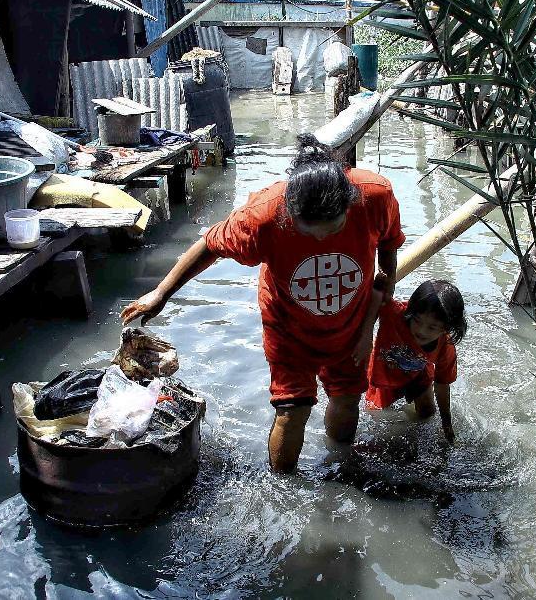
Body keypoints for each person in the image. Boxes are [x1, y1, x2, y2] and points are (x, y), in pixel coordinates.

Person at [121, 133, 405, 472]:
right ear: (290, 214)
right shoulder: (262, 216)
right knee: (292, 409)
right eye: (309, 231)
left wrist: (369, 327)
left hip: (352, 321)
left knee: (347, 399)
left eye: (332, 230)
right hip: (289, 328)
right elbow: (210, 245)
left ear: (349, 205)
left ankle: (341, 467)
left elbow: (388, 253)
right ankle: (284, 487)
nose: (321, 240)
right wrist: (161, 292)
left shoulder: (375, 196)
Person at [363, 280, 466, 443]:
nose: (421, 331)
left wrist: (447, 424)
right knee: (377, 419)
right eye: (417, 321)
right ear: (411, 313)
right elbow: (370, 298)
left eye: (432, 328)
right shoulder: (394, 314)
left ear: (446, 328)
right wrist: (377, 285)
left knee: (427, 413)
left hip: (418, 372)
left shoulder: (445, 346)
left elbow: (442, 384)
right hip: (386, 371)